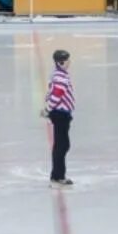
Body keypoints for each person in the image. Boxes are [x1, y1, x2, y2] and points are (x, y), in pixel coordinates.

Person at [43, 48, 75, 186]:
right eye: (67, 60)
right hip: (60, 114)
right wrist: (48, 109)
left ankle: (57, 174)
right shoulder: (60, 77)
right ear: (61, 62)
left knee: (62, 145)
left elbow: (50, 93)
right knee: (62, 145)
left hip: (61, 113)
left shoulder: (58, 74)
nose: (69, 62)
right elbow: (56, 95)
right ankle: (58, 175)